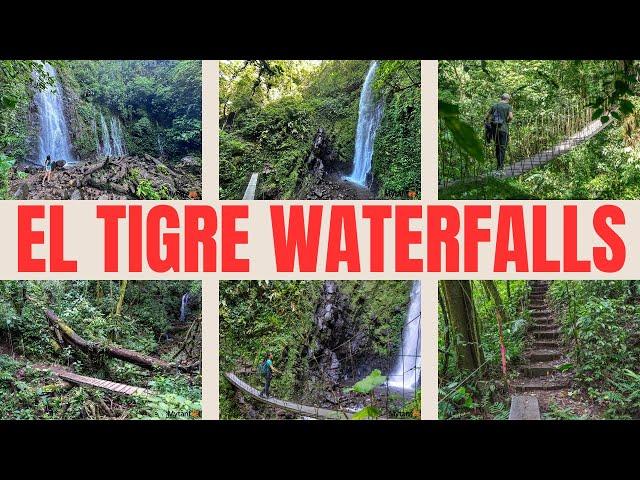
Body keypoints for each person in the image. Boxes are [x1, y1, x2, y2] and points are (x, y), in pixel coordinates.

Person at [485, 93, 514, 170]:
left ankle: (499, 166)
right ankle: (500, 167)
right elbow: (511, 117)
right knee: (502, 147)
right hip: (503, 129)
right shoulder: (508, 106)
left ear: (501, 98)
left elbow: (487, 116)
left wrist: (487, 123)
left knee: (497, 147)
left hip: (495, 130)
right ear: (507, 99)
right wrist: (506, 121)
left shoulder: (495, 106)